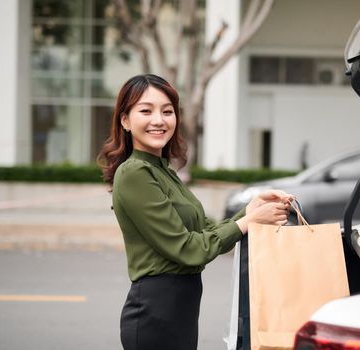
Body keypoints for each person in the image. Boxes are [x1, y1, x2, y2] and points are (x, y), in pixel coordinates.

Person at [97, 74, 293, 350]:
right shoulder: (134, 173)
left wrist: (250, 210)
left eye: (167, 111)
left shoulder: (162, 169)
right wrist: (249, 222)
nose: (159, 120)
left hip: (179, 313)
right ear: (125, 120)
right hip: (156, 314)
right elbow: (188, 249)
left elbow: (203, 233)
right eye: (146, 110)